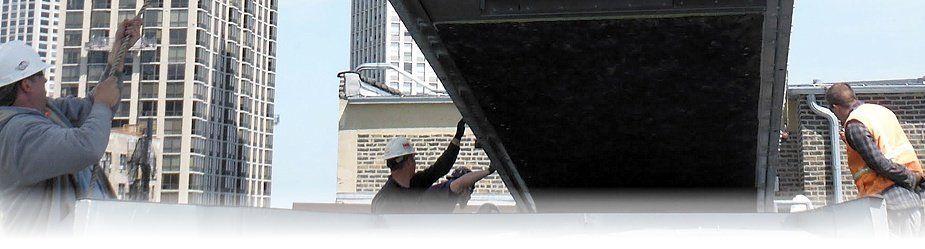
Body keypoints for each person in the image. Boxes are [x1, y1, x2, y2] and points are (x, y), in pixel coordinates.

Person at [0, 18, 142, 234]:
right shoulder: (17, 134)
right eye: (41, 77)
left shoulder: (45, 113)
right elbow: (87, 146)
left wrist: (116, 61)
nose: (46, 82)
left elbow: (89, 112)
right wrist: (103, 103)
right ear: (26, 85)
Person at [826, 83, 925, 236]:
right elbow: (886, 147)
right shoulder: (880, 111)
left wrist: (910, 178)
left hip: (890, 204)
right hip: (911, 200)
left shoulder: (854, 125)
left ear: (836, 108)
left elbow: (879, 163)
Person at [371, 119, 467, 214]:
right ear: (409, 162)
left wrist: (457, 137)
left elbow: (440, 168)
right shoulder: (385, 200)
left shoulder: (415, 183)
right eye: (413, 158)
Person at [420, 166, 496, 213]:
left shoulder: (448, 196)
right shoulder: (445, 190)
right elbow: (458, 184)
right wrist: (488, 171)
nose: (469, 197)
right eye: (470, 191)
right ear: (465, 188)